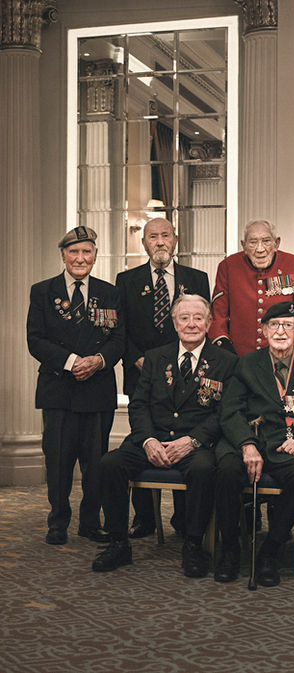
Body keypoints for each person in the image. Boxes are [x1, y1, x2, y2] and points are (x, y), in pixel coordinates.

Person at [91, 295, 237, 576]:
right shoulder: (156, 357)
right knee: (110, 464)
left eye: (198, 318)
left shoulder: (226, 362)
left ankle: (193, 544)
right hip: (153, 440)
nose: (191, 324)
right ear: (174, 323)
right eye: (184, 318)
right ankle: (118, 543)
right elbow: (139, 404)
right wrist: (147, 440)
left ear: (209, 323)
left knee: (205, 469)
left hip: (194, 444)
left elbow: (225, 413)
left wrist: (192, 440)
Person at [213, 301, 294, 585]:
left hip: (287, 446)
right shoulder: (246, 363)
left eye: (288, 325)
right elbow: (230, 411)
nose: (280, 331)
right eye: (274, 325)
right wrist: (247, 445)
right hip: (246, 442)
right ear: (263, 331)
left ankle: (270, 552)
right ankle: (230, 549)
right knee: (225, 472)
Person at [27, 226, 125, 545]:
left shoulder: (109, 293)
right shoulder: (43, 291)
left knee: (95, 463)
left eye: (86, 252)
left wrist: (97, 360)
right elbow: (35, 340)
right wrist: (71, 361)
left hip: (97, 390)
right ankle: (57, 521)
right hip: (59, 390)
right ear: (63, 255)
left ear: (95, 256)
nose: (80, 258)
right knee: (58, 461)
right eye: (74, 252)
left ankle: (89, 521)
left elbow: (119, 339)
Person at [115, 217, 210, 539]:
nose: (159, 242)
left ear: (176, 239)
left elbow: (199, 322)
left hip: (189, 374)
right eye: (152, 236)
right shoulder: (126, 280)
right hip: (143, 371)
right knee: (147, 439)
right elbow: (121, 329)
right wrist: (139, 359)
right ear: (144, 243)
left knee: (184, 432)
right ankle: (144, 517)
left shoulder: (196, 278)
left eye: (165, 236)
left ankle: (183, 518)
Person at [208, 219, 294, 357]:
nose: (260, 249)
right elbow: (219, 314)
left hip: (284, 357)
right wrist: (224, 348)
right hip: (240, 357)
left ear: (276, 243)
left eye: (266, 241)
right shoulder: (228, 267)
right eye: (253, 242)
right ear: (243, 245)